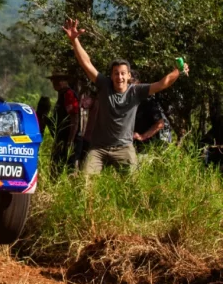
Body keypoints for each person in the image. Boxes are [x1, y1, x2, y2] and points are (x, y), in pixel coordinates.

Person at [62, 19, 189, 174]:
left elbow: (163, 83)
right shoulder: (104, 84)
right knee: (86, 183)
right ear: (111, 75)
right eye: (116, 73)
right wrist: (74, 40)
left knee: (133, 186)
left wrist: (177, 70)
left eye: (123, 74)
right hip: (99, 148)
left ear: (129, 76)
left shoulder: (136, 91)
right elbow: (86, 63)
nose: (119, 77)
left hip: (124, 148)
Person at [130, 70, 172, 154]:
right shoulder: (124, 101)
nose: (130, 87)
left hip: (150, 145)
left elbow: (160, 124)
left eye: (132, 83)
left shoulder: (148, 102)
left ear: (138, 83)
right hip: (132, 145)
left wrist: (143, 136)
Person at [46, 72, 80, 176]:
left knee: (68, 166)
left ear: (64, 81)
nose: (55, 83)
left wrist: (70, 140)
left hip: (67, 138)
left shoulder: (69, 94)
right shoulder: (62, 95)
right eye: (53, 80)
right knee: (55, 166)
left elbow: (74, 118)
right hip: (60, 137)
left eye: (58, 80)